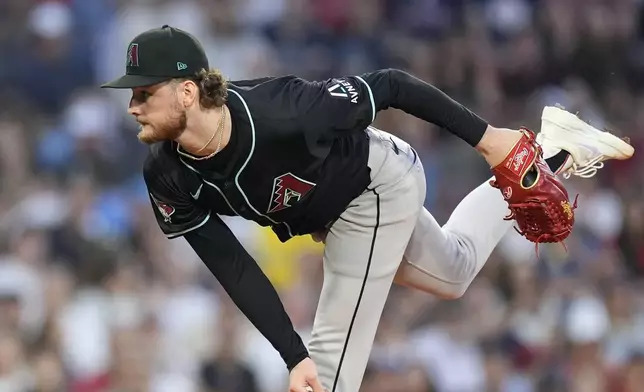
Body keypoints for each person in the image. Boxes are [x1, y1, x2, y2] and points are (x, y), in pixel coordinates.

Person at [101, 26, 634, 392]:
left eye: (144, 92)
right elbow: (233, 266)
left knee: (327, 377)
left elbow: (394, 85)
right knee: (454, 270)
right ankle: (555, 151)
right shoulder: (164, 174)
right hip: (334, 216)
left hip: (376, 184)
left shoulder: (283, 113)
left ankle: (525, 152)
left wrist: (490, 140)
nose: (132, 105)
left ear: (189, 91)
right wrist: (290, 351)